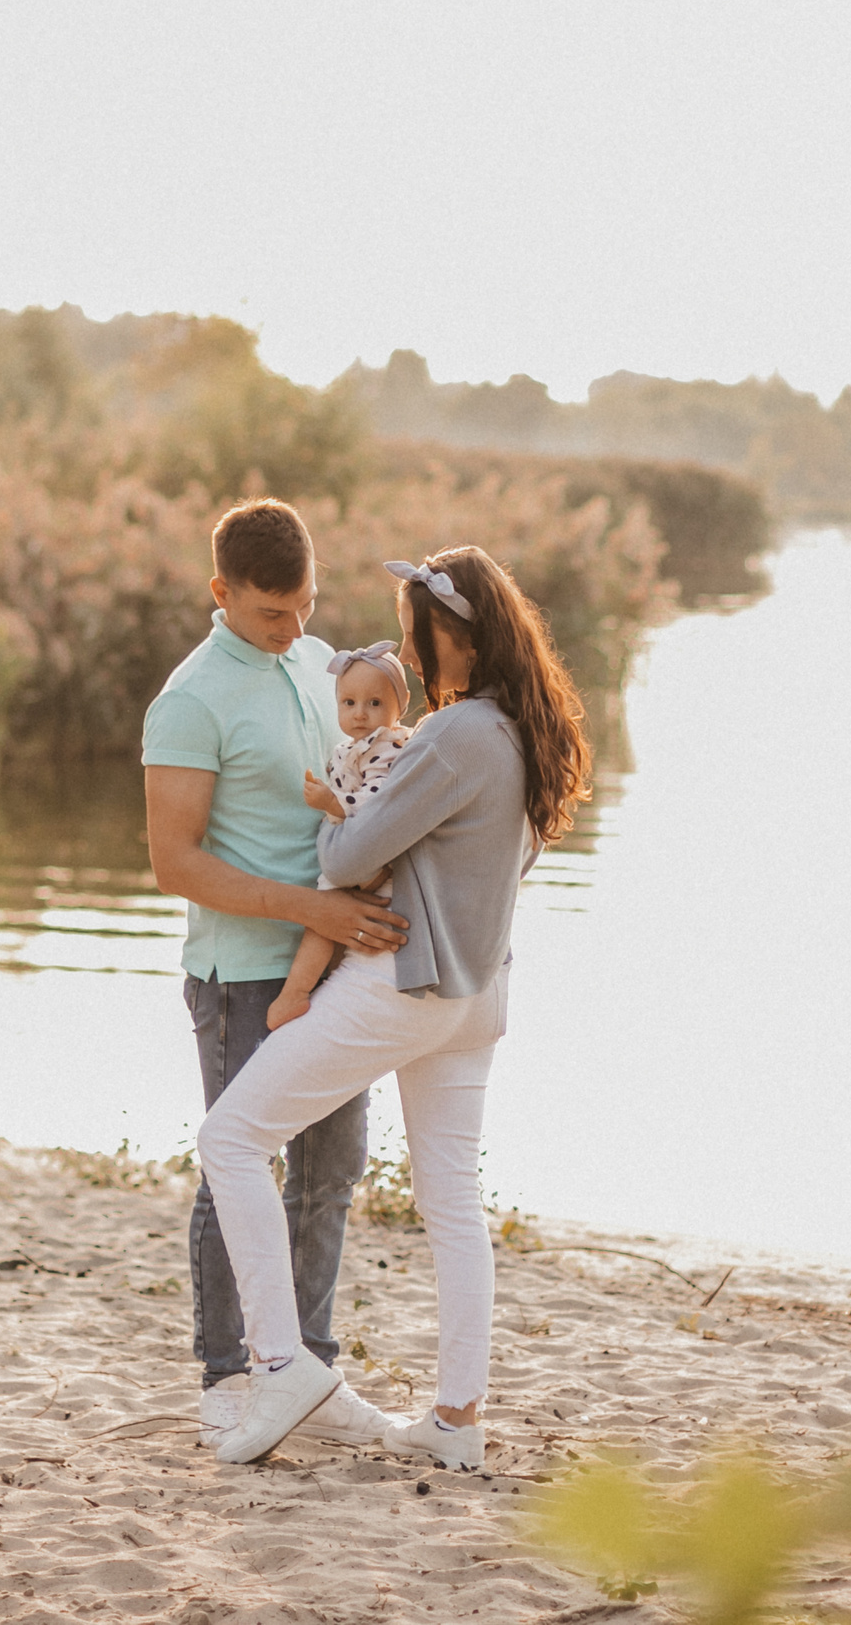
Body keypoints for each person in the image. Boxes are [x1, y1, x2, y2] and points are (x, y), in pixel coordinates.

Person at [194, 546, 593, 1471]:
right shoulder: (527, 734)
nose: (413, 661)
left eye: (421, 640)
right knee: (453, 1200)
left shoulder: (456, 737)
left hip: (406, 985)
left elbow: (343, 862)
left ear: (459, 636)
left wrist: (336, 811)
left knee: (232, 1138)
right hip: (481, 993)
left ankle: (281, 1363)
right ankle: (456, 1420)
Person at [139, 499, 411, 1450]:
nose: (293, 629)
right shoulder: (190, 699)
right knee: (237, 1165)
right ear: (221, 593)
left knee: (330, 1173)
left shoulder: (322, 662)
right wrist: (313, 911)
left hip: (334, 964)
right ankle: (227, 1375)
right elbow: (176, 864)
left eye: (305, 605)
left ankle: (310, 1368)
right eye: (270, 613)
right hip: (242, 975)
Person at [266, 640, 412, 1032]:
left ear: (401, 705)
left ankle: (295, 992)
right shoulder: (350, 747)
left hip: (373, 848)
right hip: (353, 846)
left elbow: (379, 799)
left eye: (374, 704)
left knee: (325, 916)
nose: (360, 714)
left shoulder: (391, 747)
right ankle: (321, 984)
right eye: (348, 703)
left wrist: (333, 802)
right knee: (336, 919)